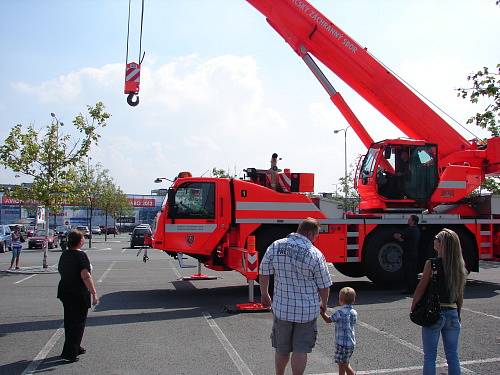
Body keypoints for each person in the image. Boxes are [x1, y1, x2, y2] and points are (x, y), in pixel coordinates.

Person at [259, 217, 332, 375]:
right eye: (316, 235)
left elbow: (264, 271)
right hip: (307, 312)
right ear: (311, 234)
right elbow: (324, 285)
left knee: (282, 349)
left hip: (282, 309)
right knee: (301, 350)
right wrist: (324, 303)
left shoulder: (276, 246)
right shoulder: (315, 254)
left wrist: (264, 294)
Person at [411, 228, 467, 375]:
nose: (434, 240)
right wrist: (458, 313)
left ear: (442, 244)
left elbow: (420, 289)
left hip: (434, 312)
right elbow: (459, 294)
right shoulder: (459, 266)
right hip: (453, 311)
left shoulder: (432, 263)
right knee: (453, 356)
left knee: (430, 357)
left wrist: (413, 307)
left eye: (437, 238)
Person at [57, 230, 99, 362]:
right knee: (78, 323)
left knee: (70, 321)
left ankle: (75, 346)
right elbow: (85, 276)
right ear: (80, 241)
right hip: (78, 293)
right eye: (83, 238)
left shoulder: (65, 254)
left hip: (65, 291)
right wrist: (94, 293)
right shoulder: (80, 256)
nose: (84, 240)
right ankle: (70, 353)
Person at [320, 287, 357, 375]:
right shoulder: (354, 312)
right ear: (354, 300)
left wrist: (322, 313)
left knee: (344, 364)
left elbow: (329, 320)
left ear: (340, 300)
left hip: (341, 344)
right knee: (342, 363)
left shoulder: (339, 312)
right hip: (350, 343)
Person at [394, 214, 421, 293]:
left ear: (413, 221)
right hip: (413, 253)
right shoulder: (416, 230)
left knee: (409, 272)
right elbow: (404, 240)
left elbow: (399, 235)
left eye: (409, 219)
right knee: (413, 272)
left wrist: (396, 235)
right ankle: (413, 288)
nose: (408, 220)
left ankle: (410, 289)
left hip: (409, 254)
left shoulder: (410, 230)